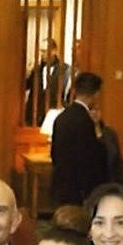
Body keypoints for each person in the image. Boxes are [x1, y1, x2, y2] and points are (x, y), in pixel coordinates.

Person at [49, 72, 110, 209]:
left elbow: (54, 153)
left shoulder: (61, 117)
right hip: (81, 188)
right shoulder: (87, 121)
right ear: (95, 94)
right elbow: (94, 157)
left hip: (62, 183)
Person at [23, 38, 71, 126]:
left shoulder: (65, 69)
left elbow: (66, 94)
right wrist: (29, 70)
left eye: (44, 51)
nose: (42, 54)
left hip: (53, 116)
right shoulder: (36, 68)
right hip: (33, 116)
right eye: (41, 51)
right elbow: (24, 87)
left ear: (54, 51)